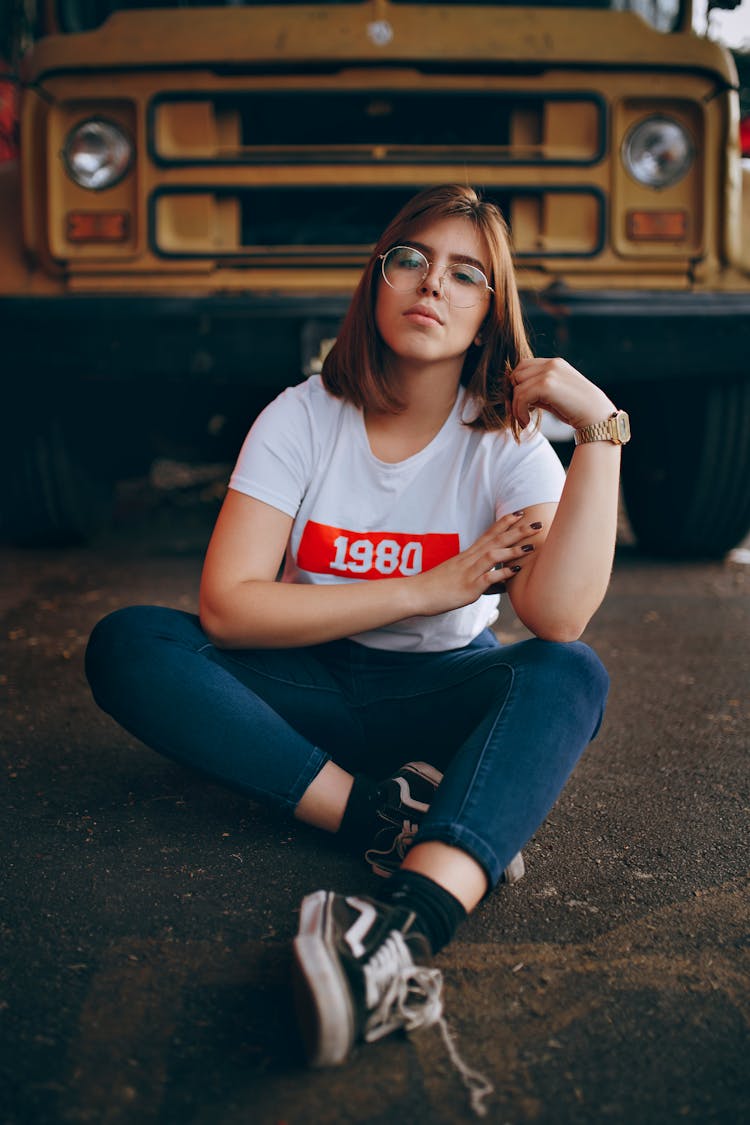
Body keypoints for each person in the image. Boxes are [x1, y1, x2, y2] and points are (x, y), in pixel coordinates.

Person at [85, 184, 626, 1107]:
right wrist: (432, 585)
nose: (432, 286)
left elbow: (557, 617)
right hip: (299, 687)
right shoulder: (302, 416)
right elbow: (228, 607)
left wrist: (601, 434)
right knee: (131, 643)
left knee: (567, 673)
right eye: (410, 260)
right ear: (376, 282)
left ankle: (402, 930)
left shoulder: (509, 443)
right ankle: (383, 814)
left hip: (439, 694)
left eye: (466, 275)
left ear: (492, 311)